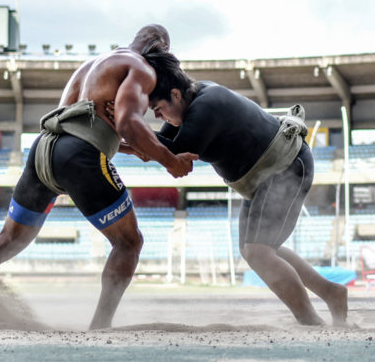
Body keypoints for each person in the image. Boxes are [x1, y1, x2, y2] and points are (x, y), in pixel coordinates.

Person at [0, 25, 198, 330]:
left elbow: (70, 122)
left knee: (8, 240)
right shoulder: (142, 69)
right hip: (79, 157)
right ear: (160, 48)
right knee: (129, 242)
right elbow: (128, 121)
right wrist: (169, 159)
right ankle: (100, 325)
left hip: (42, 151)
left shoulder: (92, 66)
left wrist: (127, 148)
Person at [137, 49, 349, 326]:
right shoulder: (191, 101)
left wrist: (126, 131)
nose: (159, 117)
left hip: (284, 167)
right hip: (265, 175)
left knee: (259, 251)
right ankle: (331, 293)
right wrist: (123, 136)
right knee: (257, 250)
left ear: (175, 95)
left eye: (159, 109)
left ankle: (310, 320)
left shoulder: (206, 104)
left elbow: (173, 152)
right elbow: (158, 145)